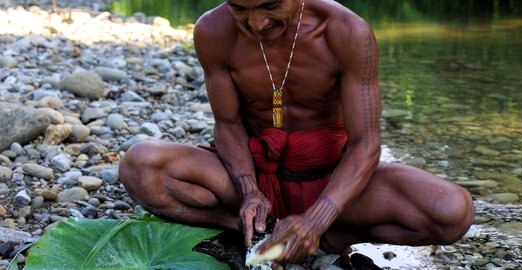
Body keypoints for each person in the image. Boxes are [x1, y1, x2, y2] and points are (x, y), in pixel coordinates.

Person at [119, 0, 475, 264]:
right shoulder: (213, 31)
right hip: (257, 175)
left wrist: (317, 219)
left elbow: (365, 146)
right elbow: (228, 126)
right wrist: (249, 193)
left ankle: (328, 236)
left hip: (330, 181)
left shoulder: (346, 31)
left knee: (451, 211)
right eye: (240, 8)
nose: (256, 23)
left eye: (270, 5)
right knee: (141, 166)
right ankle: (251, 230)